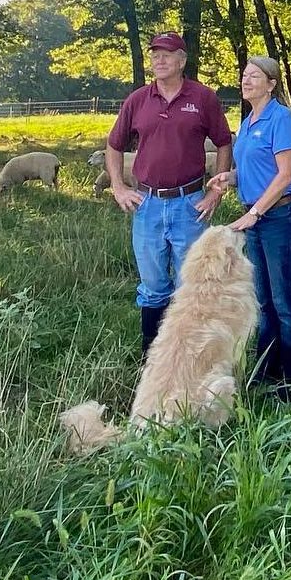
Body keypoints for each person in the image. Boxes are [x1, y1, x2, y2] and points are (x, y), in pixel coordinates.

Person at [106, 31, 234, 358]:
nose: (159, 60)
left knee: (190, 286)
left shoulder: (203, 98)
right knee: (152, 288)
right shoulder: (137, 100)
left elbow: (223, 142)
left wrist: (216, 191)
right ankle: (153, 360)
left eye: (167, 54)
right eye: (154, 55)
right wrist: (119, 186)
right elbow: (114, 145)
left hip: (189, 203)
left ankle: (189, 359)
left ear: (182, 60)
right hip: (147, 204)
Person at [209, 56, 291, 401]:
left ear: (271, 84)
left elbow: (284, 175)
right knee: (263, 299)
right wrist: (231, 176)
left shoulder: (280, 117)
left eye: (254, 76)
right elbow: (257, 168)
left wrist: (254, 212)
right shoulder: (248, 119)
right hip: (253, 216)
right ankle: (266, 370)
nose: (246, 80)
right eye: (243, 76)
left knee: (284, 299)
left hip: (278, 218)